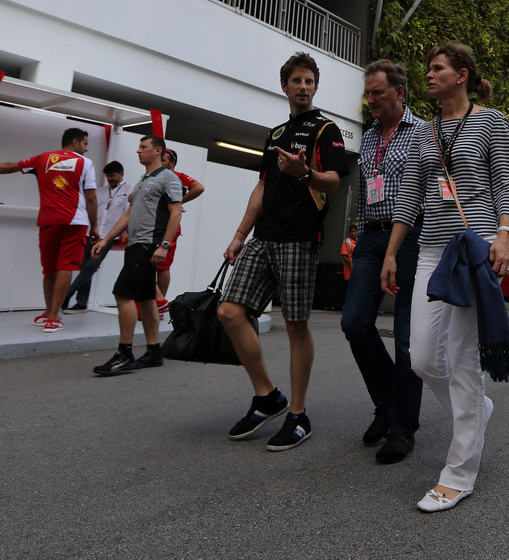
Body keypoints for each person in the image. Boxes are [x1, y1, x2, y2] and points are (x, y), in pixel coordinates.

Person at [381, 42, 509, 513]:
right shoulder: (424, 132)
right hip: (429, 252)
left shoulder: (490, 121)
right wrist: (393, 251)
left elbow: (505, 180)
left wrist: (503, 234)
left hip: (471, 247)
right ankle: (476, 411)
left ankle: (458, 473)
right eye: (427, 69)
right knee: (420, 357)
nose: (429, 74)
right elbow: (409, 196)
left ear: (462, 74)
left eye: (437, 68)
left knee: (462, 359)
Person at [219, 52, 348, 452]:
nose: (303, 87)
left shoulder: (325, 129)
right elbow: (261, 187)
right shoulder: (275, 134)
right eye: (297, 81)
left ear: (315, 86)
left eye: (309, 81)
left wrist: (304, 172)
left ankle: (297, 413)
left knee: (295, 325)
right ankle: (267, 395)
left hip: (299, 237)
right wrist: (240, 233)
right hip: (263, 236)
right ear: (285, 86)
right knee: (229, 311)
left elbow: (333, 183)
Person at [340, 59, 426, 465]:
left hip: (410, 237)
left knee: (407, 337)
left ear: (399, 93)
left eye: (377, 92)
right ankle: (387, 401)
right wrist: (357, 232)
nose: (370, 99)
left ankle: (402, 427)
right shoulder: (371, 134)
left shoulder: (423, 132)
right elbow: (365, 187)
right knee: (354, 322)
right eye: (368, 92)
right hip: (371, 238)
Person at [0, 128, 99, 333]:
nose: (86, 149)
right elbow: (91, 198)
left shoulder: (41, 158)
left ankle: (47, 314)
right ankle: (54, 317)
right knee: (65, 267)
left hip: (48, 221)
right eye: (85, 144)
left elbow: (9, 166)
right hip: (76, 222)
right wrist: (94, 225)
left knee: (49, 268)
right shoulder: (85, 163)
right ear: (75, 142)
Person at [88, 136, 182, 375]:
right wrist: (106, 240)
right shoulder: (142, 181)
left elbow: (175, 215)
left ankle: (125, 353)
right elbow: (128, 216)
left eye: (144, 147)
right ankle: (153, 351)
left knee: (123, 294)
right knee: (147, 299)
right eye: (139, 147)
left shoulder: (169, 177)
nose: (138, 151)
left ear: (158, 151)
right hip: (136, 244)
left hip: (148, 245)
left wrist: (164, 245)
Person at [63, 161, 130, 312]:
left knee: (91, 266)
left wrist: (126, 231)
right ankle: (81, 303)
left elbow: (128, 214)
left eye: (112, 175)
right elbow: (90, 210)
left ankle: (68, 293)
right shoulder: (100, 191)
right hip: (92, 233)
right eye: (107, 176)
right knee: (84, 267)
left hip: (108, 236)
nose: (110, 178)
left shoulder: (129, 190)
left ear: (121, 174)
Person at [153, 148, 205, 318]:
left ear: (172, 163)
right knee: (147, 264)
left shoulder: (178, 177)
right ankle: (157, 303)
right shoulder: (154, 177)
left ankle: (158, 304)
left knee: (162, 266)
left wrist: (178, 201)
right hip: (151, 226)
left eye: (165, 160)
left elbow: (199, 187)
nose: (161, 163)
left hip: (169, 228)